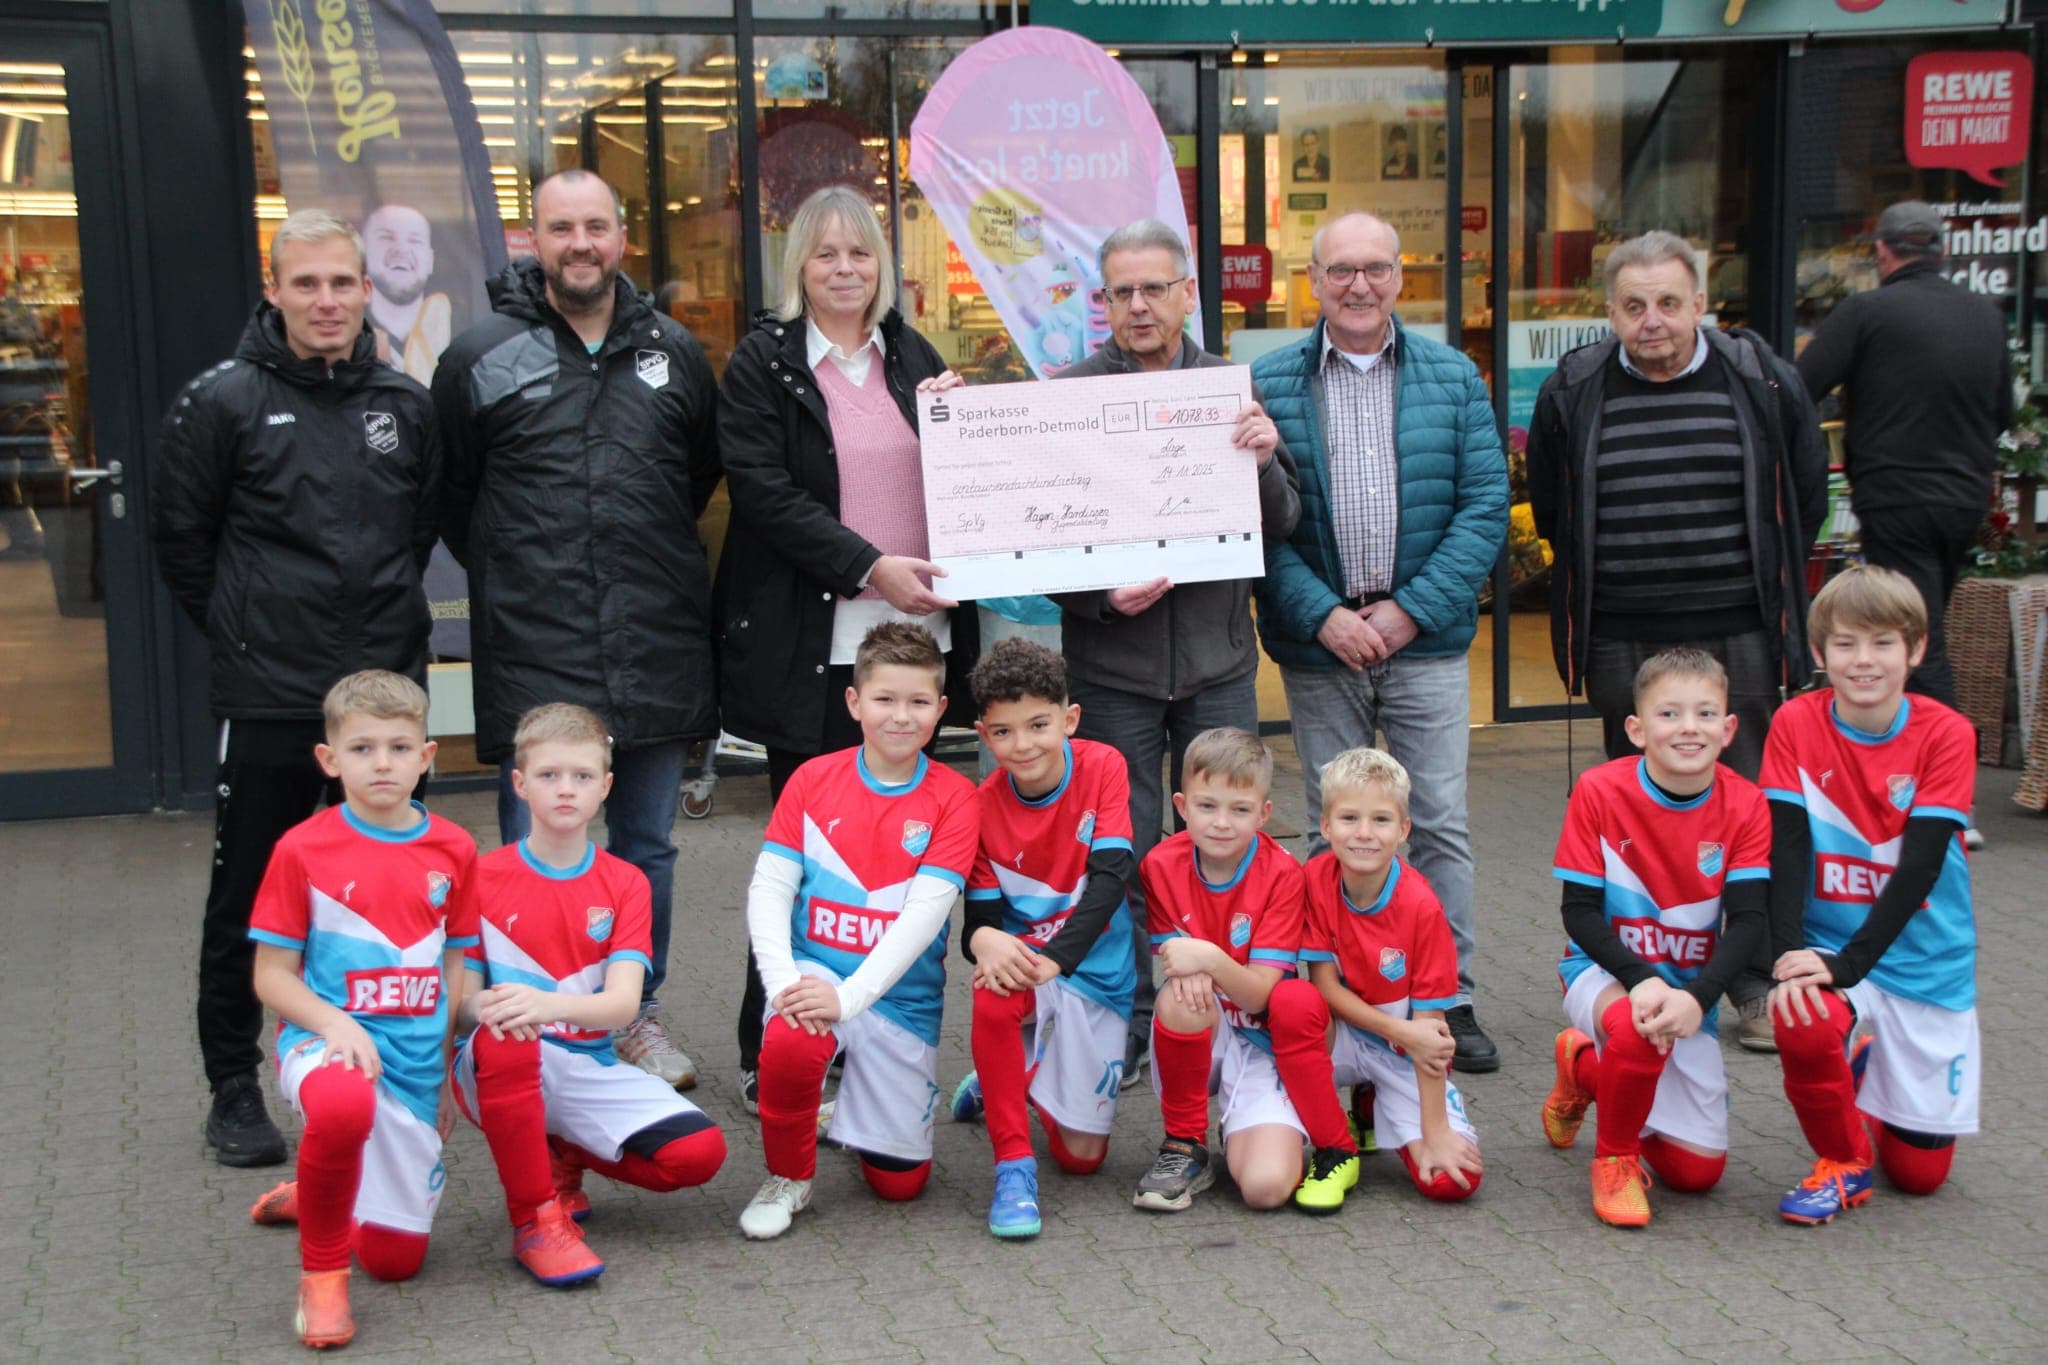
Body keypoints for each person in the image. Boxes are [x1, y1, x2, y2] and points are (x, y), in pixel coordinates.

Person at [153, 208, 441, 1169]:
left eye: (343, 283)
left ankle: (394, 1065)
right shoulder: (222, 401)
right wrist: (248, 628)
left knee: (392, 889)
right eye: (306, 283)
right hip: (273, 694)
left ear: (367, 292)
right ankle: (235, 1084)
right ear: (273, 290)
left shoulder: (404, 403)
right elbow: (183, 545)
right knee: (252, 891)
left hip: (386, 700)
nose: (327, 301)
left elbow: (418, 530)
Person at [436, 169, 721, 1092]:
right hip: (539, 646)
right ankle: (529, 1024)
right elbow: (455, 498)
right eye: (562, 228)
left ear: (623, 237)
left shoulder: (674, 353)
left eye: (596, 225)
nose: (581, 244)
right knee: (535, 853)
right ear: (535, 241)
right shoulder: (479, 354)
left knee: (644, 851)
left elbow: (695, 480)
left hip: (656, 640)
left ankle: (634, 1016)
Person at [1526, 229, 1827, 1052]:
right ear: (1611, 312)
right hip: (1623, 631)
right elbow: (1552, 510)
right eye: (1633, 305)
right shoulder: (1576, 386)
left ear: (1701, 303)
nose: (1651, 320)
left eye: (1668, 302)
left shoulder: (1762, 377)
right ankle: (1645, 972)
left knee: (1754, 809)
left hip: (1739, 628)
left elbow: (1804, 495)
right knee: (1636, 808)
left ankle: (1756, 979)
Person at [717, 184, 969, 1110]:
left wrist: (961, 422)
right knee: (808, 860)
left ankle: (874, 1044)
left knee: (895, 868)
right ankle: (774, 1047)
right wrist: (870, 563)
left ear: (882, 266)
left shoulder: (915, 356)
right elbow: (762, 492)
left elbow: (955, 479)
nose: (844, 269)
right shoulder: (763, 364)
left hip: (915, 648)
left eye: (859, 253)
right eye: (824, 254)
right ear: (799, 268)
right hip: (816, 651)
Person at [1252, 210, 1509, 1072]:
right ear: (1313, 280)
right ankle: (1342, 996)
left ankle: (1452, 998)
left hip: (1425, 641)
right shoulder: (1268, 383)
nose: (1357, 285)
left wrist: (1410, 610)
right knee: (1335, 831)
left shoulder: (1451, 377)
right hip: (1320, 642)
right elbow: (1259, 526)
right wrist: (1322, 612)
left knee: (1437, 821)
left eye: (1374, 269)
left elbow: (1483, 508)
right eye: (1339, 271)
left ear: (1402, 277)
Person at [1054, 218, 1300, 1091]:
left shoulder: (1229, 390)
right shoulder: (1069, 396)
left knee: (1224, 843)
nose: (1139, 305)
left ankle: (1229, 1008)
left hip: (1216, 666)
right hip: (1110, 667)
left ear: (1188, 293)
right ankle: (1128, 1016)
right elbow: (1037, 544)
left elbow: (1283, 523)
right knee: (1120, 849)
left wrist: (1266, 459)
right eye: (1122, 291)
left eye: (1155, 288)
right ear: (1103, 302)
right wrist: (1097, 595)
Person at [241, 672, 479, 1350]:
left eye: (400, 747)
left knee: (397, 1263)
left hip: (410, 1067)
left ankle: (321, 1185)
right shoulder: (302, 848)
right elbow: (269, 977)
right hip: (327, 1042)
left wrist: (440, 1073)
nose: (382, 763)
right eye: (363, 747)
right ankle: (320, 1279)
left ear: (428, 756)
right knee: (345, 1107)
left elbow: (455, 963)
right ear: (329, 758)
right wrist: (335, 1023)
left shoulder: (455, 847)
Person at [452, 703, 728, 1286]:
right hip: (496, 1066)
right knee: (508, 1038)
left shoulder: (625, 881)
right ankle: (534, 1220)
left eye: (581, 777)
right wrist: (494, 1009)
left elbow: (624, 1006)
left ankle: (565, 1155)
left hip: (586, 1063)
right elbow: (459, 1002)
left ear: (605, 786)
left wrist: (547, 1005)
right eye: (549, 776)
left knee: (698, 1154)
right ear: (520, 784)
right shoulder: (479, 875)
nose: (565, 790)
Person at [736, 623, 980, 1240]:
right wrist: (786, 984)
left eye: (919, 702)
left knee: (899, 1186)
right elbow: (768, 890)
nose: (901, 716)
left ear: (941, 710)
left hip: (899, 998)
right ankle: (788, 1176)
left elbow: (925, 915)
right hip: (817, 972)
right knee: (792, 1040)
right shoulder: (813, 779)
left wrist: (851, 999)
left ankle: (846, 1110)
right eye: (885, 699)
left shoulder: (955, 796)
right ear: (854, 702)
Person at [1761, 565, 1980, 1225]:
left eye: (1883, 642)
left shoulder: (1946, 732)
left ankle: (1867, 1075)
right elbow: (1786, 852)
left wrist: (1848, 964)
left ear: (1915, 650)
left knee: (1919, 1177)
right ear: (1820, 653)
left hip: (1924, 960)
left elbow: (1918, 868)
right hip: (1835, 950)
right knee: (1801, 1010)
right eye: (1847, 643)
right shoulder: (1795, 721)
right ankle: (1843, 1159)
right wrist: (1789, 957)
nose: (1864, 660)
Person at [1538, 648, 1772, 1227]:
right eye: (1669, 714)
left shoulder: (1747, 803)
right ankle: (1613, 1161)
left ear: (1728, 727)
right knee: (1638, 1032)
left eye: (1705, 713)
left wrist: (1699, 997)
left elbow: (1748, 922)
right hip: (1606, 974)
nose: (1688, 727)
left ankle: (1585, 1068)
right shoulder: (1598, 790)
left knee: (1696, 1176)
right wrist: (1640, 979)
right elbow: (1579, 912)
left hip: (1690, 990)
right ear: (1637, 729)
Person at [1795, 202, 2011, 767]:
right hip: (1964, 499)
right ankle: (1918, 769)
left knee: (1916, 638)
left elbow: (1800, 388)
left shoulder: (1867, 311)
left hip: (1895, 497)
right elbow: (2004, 411)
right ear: (1940, 252)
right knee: (1922, 626)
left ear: (1883, 252)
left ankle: (1946, 788)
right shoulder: (1985, 315)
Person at [949, 639, 1137, 1239]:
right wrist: (983, 945)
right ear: (983, 735)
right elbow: (976, 921)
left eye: (1038, 725)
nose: (1023, 744)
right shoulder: (979, 807)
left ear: (1069, 719)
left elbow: (1111, 879)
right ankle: (1012, 1165)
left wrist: (1057, 959)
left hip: (1091, 968)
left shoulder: (1104, 765)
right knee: (990, 992)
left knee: (1083, 1161)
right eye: (1003, 732)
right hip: (1029, 968)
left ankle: (1005, 1073)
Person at [1267, 747, 1484, 1210]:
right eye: (1349, 818)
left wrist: (1436, 1129)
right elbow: (1324, 986)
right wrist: (1396, 1029)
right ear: (1325, 826)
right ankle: (1333, 1140)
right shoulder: (1315, 878)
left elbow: (1428, 1034)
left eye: (1381, 821)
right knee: (1293, 1002)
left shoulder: (1422, 908)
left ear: (1404, 830)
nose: (1364, 833)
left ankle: (1371, 1104)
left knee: (1452, 1182)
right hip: (1347, 1034)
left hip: (1403, 1049)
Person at [1132, 727, 1309, 1214]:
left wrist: (1207, 956)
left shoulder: (1284, 874)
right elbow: (1180, 969)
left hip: (1260, 1038)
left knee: (1266, 1190)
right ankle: (1184, 1143)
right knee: (1181, 997)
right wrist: (1195, 966)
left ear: (1265, 814)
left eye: (1240, 809)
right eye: (1207, 806)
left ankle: (1246, 1125)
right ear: (1182, 806)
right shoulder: (1160, 865)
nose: (1222, 823)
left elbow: (1258, 997)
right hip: (1201, 1029)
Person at [362, 203, 451, 386]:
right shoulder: (345, 342)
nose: (402, 249)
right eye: (386, 237)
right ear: (365, 253)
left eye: (415, 240)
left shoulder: (461, 339)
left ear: (430, 260)